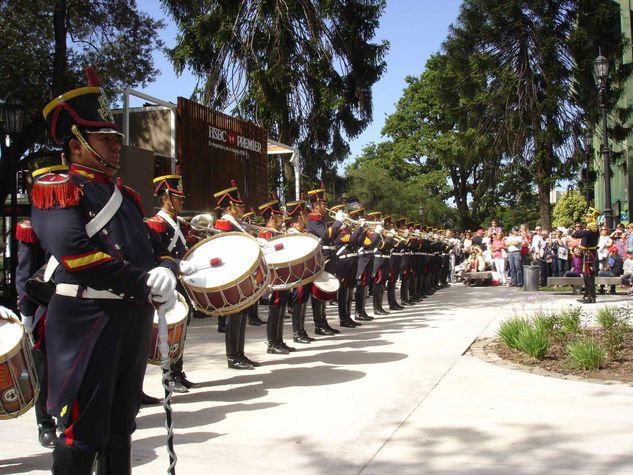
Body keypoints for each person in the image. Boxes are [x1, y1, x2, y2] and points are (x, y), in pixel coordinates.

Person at [35, 70, 179, 473]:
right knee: (83, 434)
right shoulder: (57, 187)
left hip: (130, 319)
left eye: (117, 139)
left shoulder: (127, 197)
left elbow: (155, 250)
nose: (116, 147)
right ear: (76, 144)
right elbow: (76, 254)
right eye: (105, 139)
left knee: (121, 427)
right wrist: (143, 281)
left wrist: (167, 270)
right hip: (87, 321)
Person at [147, 175, 198, 393]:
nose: (182, 201)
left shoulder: (177, 221)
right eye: (177, 197)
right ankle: (168, 376)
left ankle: (178, 371)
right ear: (166, 198)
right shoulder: (157, 223)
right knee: (169, 332)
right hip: (168, 283)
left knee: (181, 329)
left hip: (179, 281)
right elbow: (154, 254)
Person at [212, 180, 259, 369]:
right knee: (235, 313)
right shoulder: (223, 223)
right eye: (238, 205)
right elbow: (227, 247)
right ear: (230, 208)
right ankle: (233, 356)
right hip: (232, 274)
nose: (242, 208)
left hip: (241, 272)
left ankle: (240, 353)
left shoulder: (235, 223)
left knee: (242, 312)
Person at [258, 194, 295, 354]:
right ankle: (272, 343)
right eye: (279, 214)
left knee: (282, 305)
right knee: (275, 306)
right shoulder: (265, 234)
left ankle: (279, 340)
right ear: (272, 215)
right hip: (274, 276)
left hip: (283, 274)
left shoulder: (278, 231)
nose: (282, 217)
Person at [572, 208, 601, 303]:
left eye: (588, 216)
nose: (586, 218)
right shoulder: (589, 226)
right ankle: (587, 295)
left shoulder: (593, 227)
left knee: (589, 276)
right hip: (587, 253)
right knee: (586, 276)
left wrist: (574, 233)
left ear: (592, 218)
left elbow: (583, 233)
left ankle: (591, 296)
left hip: (590, 254)